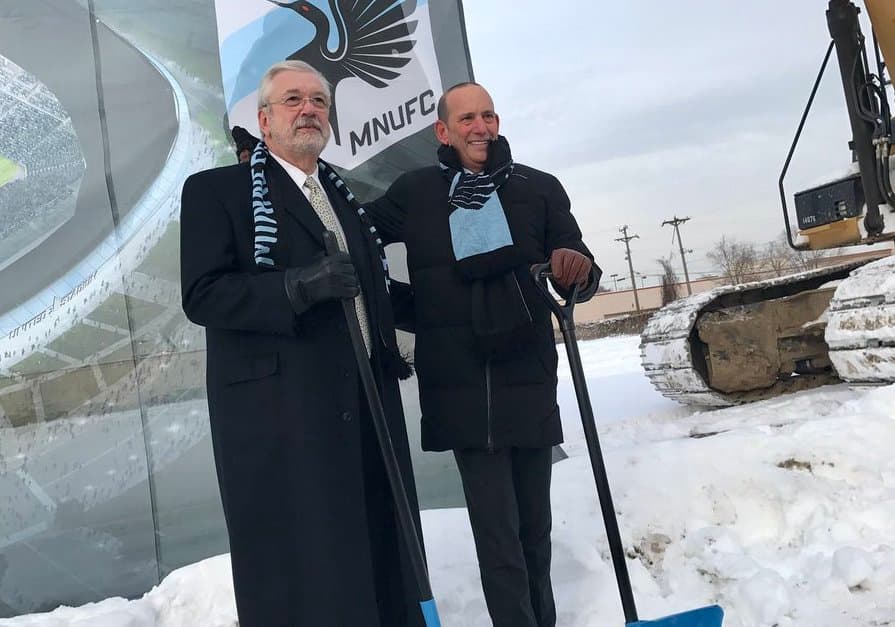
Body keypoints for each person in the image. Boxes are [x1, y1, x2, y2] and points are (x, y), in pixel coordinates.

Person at [180, 60, 424, 627]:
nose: (309, 109)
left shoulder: (344, 201)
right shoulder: (217, 192)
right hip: (282, 421)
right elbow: (203, 295)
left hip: (366, 409)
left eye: (319, 101)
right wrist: (296, 287)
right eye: (293, 100)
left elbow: (375, 292)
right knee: (309, 571)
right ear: (265, 120)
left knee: (377, 559)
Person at [367, 81, 600, 627]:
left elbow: (578, 270)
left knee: (534, 533)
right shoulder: (416, 192)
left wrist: (578, 269)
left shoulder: (538, 188)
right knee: (497, 538)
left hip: (527, 377)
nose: (481, 127)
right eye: (467, 118)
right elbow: (358, 237)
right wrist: (410, 308)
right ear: (443, 131)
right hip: (460, 386)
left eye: (488, 116)